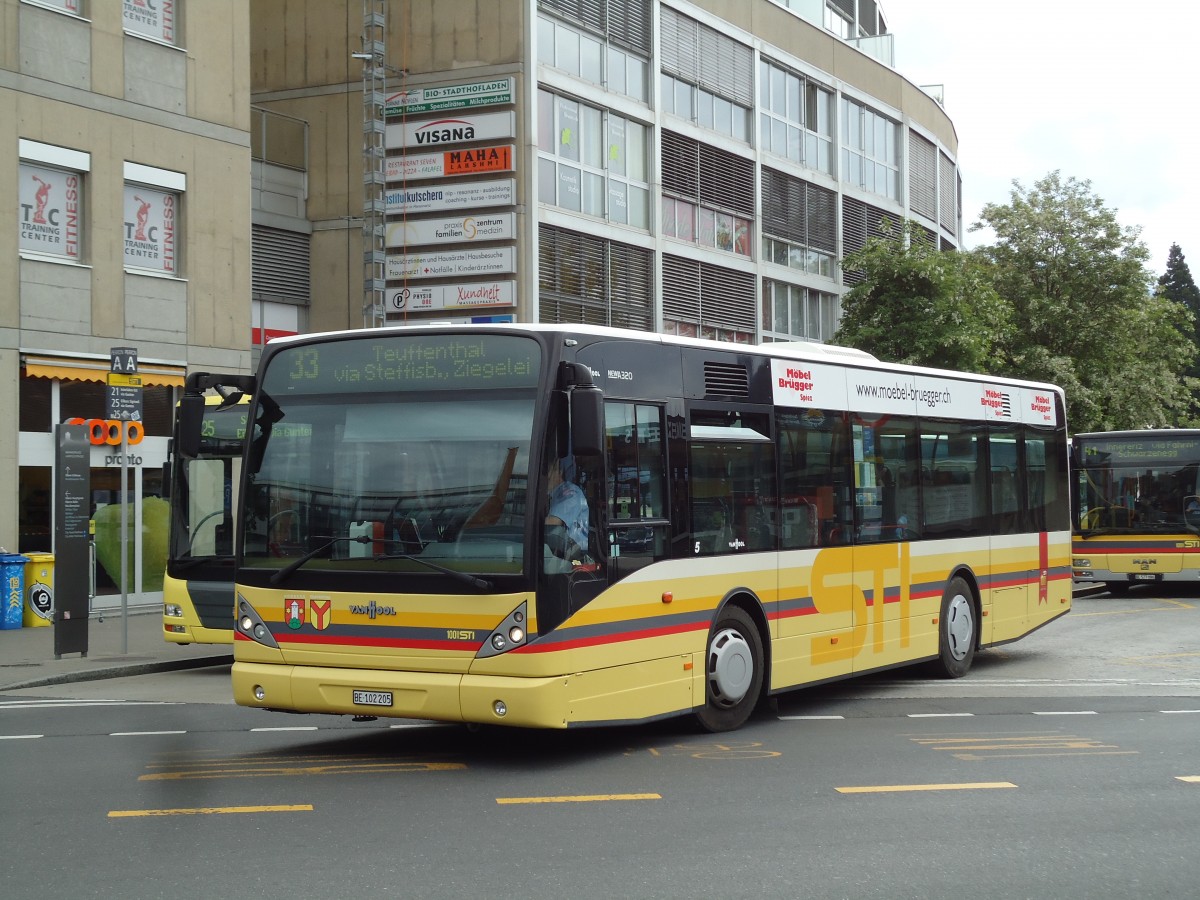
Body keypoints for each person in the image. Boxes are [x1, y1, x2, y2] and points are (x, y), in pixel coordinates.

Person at [546, 455, 589, 559]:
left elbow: (552, 523)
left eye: (546, 472)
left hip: (573, 557)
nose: (545, 478)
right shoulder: (553, 495)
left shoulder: (570, 493)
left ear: (559, 472)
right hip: (560, 552)